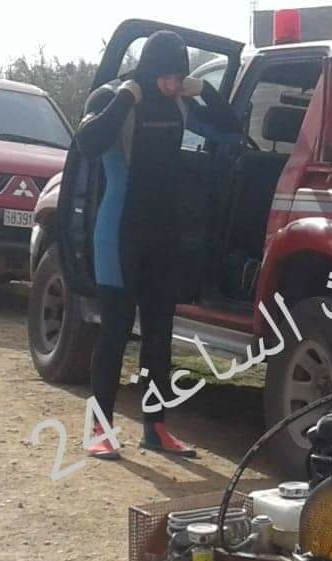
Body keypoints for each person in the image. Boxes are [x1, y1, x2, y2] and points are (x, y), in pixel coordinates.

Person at [74, 30, 239, 460]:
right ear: (149, 71)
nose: (171, 84)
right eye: (166, 77)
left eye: (178, 77)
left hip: (163, 234)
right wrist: (125, 97)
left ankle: (156, 427)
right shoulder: (114, 98)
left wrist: (205, 90)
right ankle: (99, 427)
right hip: (119, 231)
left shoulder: (179, 102)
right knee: (114, 332)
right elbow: (88, 143)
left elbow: (230, 130)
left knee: (159, 336)